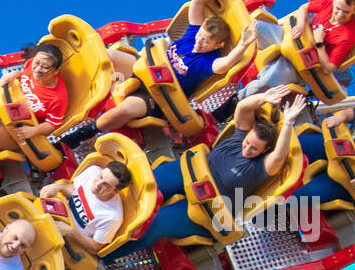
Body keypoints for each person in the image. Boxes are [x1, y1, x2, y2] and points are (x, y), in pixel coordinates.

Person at [61, 0, 257, 144]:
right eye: (200, 36)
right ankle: (71, 84)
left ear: (217, 45)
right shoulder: (192, 36)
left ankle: (80, 135)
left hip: (158, 93)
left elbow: (226, 64)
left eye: (206, 41)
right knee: (107, 56)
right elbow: (197, 0)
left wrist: (242, 44)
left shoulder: (207, 62)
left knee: (124, 111)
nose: (199, 41)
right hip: (144, 68)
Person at [111, 86, 306, 257]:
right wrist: (265, 98)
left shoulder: (261, 167)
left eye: (254, 149)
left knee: (156, 224)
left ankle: (106, 256)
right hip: (193, 172)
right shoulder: (240, 136)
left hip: (210, 206)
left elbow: (279, 156)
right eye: (248, 143)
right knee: (140, 183)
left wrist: (287, 122)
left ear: (264, 151)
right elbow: (243, 107)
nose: (247, 149)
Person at [238, 0, 355, 99]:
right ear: (334, 1)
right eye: (338, 8)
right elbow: (304, 7)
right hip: (291, 39)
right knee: (254, 27)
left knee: (265, 82)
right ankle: (227, 51)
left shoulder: (346, 36)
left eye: (346, 12)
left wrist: (319, 44)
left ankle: (235, 101)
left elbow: (329, 68)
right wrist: (301, 25)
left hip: (301, 62)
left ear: (354, 10)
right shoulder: (328, 3)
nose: (339, 14)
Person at [41, 161, 131, 258]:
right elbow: (74, 190)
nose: (98, 184)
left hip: (68, 241)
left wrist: (71, 231)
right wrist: (58, 187)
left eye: (106, 185)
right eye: (100, 177)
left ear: (115, 191)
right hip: (56, 212)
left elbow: (95, 247)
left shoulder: (112, 217)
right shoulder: (93, 171)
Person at [0, 43, 69, 151]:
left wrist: (33, 131)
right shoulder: (31, 64)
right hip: (6, 103)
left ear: (55, 71)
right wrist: (15, 74)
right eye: (37, 63)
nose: (38, 69)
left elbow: (52, 124)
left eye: (45, 67)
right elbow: (24, 74)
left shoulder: (58, 98)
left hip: (18, 128)